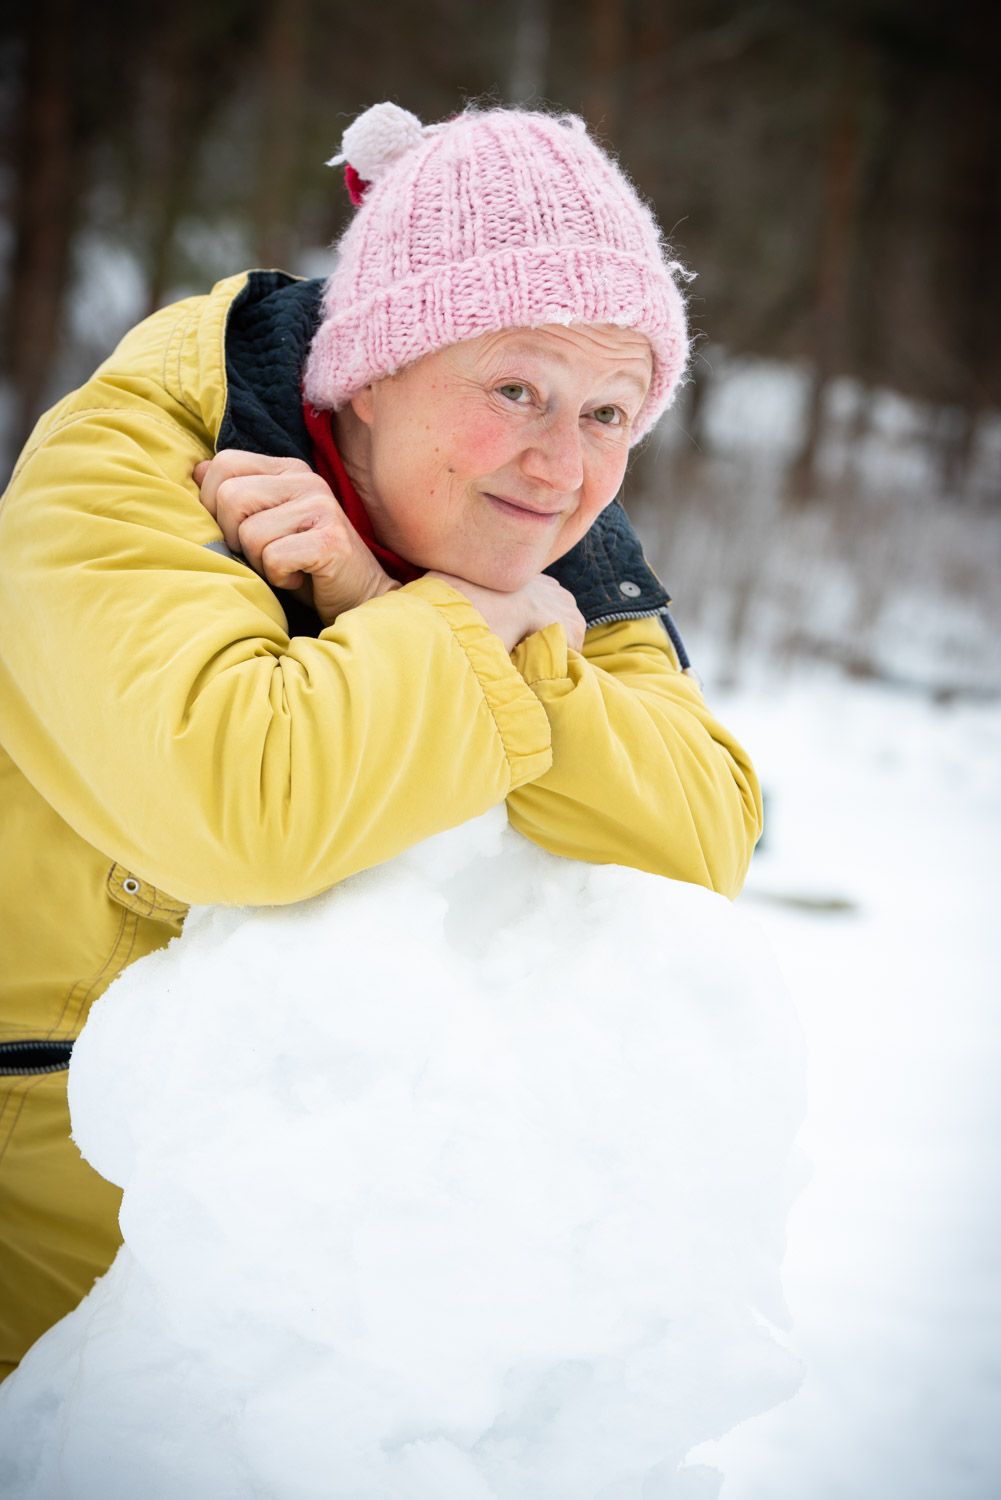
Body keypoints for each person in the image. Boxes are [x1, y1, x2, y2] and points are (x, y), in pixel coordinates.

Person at [0, 100, 763, 1378]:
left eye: (608, 413)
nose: (559, 465)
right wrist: (499, 638)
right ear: (369, 367)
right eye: (513, 387)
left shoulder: (551, 539)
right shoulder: (137, 459)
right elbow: (241, 802)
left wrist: (398, 604)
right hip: (45, 1276)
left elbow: (699, 837)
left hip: (328, 1329)